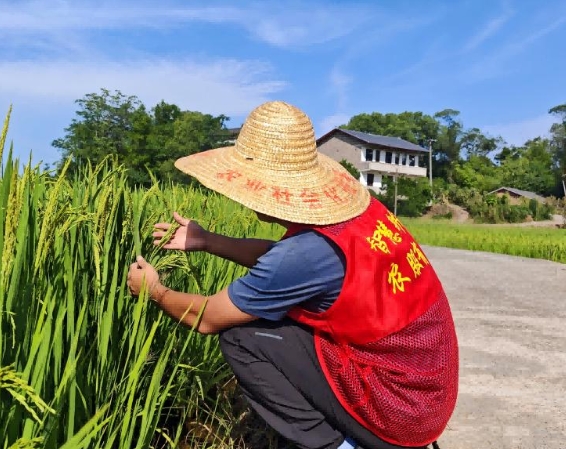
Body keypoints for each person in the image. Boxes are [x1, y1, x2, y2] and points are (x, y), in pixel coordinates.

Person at [126, 101, 459, 449]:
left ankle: (336, 446)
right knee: (284, 318)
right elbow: (286, 265)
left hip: (400, 410)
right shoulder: (356, 217)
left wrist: (154, 291)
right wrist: (207, 240)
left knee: (241, 338)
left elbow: (208, 318)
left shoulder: (305, 253)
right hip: (426, 388)